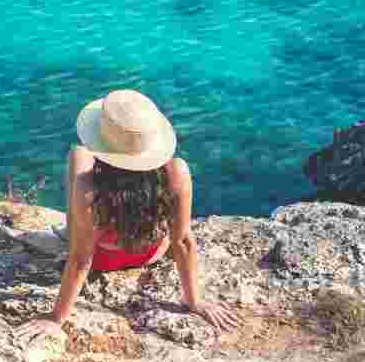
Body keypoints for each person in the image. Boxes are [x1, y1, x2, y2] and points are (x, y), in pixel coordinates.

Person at [16, 90, 242, 343]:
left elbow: (81, 257)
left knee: (78, 154)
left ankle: (70, 228)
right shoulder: (177, 171)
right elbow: (183, 241)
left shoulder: (88, 188)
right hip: (150, 253)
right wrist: (195, 301)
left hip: (103, 259)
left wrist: (56, 318)